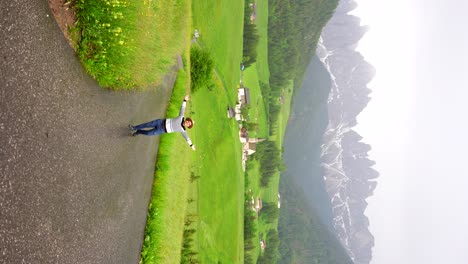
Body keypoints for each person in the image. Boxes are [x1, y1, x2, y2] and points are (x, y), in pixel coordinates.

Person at [129, 95, 196, 151]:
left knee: (148, 133)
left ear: (188, 126)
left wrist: (191, 145)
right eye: (188, 121)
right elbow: (183, 108)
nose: (188, 123)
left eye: (189, 124)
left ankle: (138, 132)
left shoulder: (183, 130)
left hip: (161, 130)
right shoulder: (181, 117)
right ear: (187, 120)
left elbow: (187, 138)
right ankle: (134, 127)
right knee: (146, 125)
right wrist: (185, 100)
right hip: (160, 122)